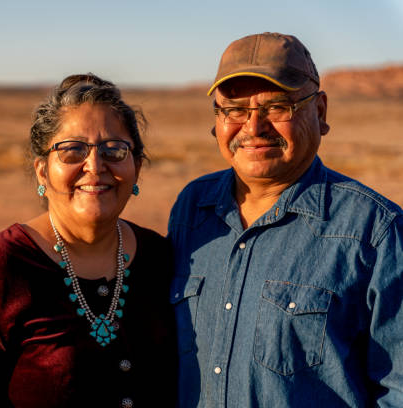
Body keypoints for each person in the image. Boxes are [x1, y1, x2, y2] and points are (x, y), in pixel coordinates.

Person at [0, 73, 176, 407]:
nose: (95, 166)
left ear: (136, 165)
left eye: (115, 150)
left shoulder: (162, 258)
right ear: (41, 170)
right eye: (72, 151)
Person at [168, 32, 403, 407]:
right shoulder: (192, 209)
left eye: (278, 106)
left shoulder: (374, 231)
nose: (254, 126)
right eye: (234, 109)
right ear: (217, 120)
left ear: (320, 112)